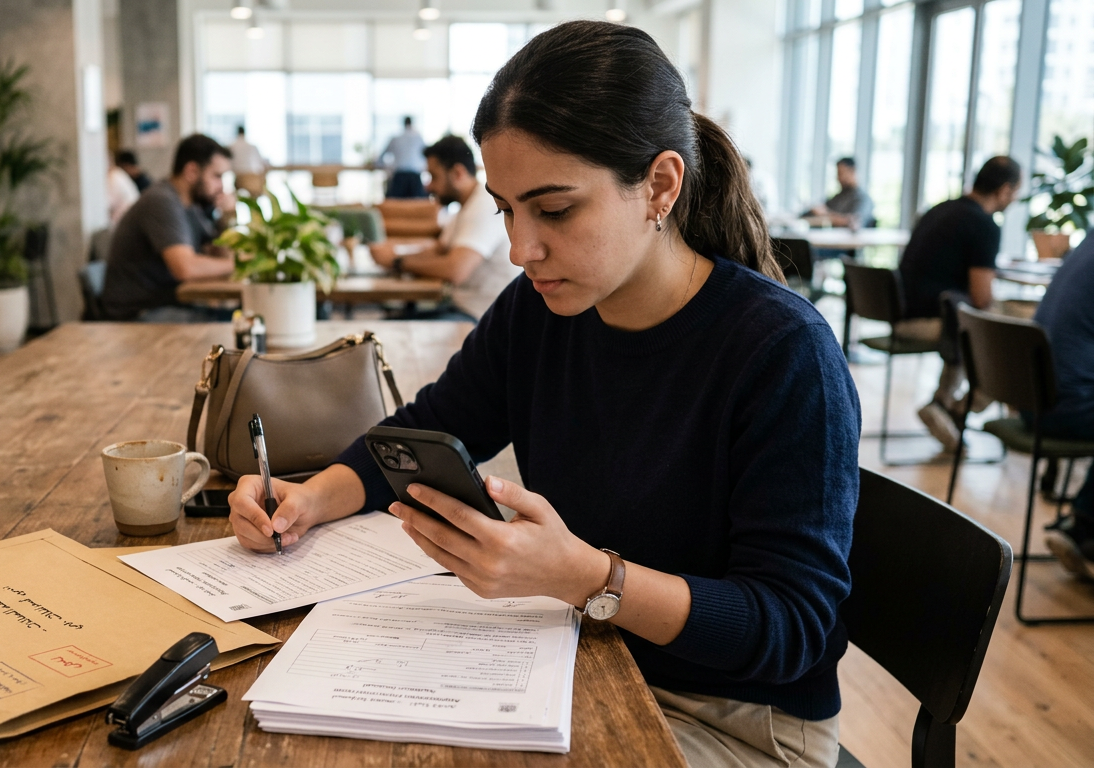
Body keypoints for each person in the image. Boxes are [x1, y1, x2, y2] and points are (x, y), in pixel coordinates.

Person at [229, 20, 858, 768]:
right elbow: (428, 430)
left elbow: (792, 626)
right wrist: (307, 499)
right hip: (579, 655)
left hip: (736, 720)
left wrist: (587, 577)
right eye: (505, 209)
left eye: (554, 210)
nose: (520, 249)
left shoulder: (782, 352)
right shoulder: (542, 309)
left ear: (660, 186)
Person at [899, 156, 1022, 451]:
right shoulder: (984, 225)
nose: (1015, 199)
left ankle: (944, 404)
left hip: (902, 313)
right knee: (1015, 342)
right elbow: (981, 298)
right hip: (932, 322)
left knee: (977, 322)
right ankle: (957, 407)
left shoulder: (939, 209)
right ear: (1005, 190)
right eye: (1016, 192)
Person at [368, 135, 515, 321]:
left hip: (481, 318)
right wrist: (395, 252)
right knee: (387, 324)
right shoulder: (465, 207)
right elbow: (438, 250)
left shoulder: (485, 206)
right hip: (460, 308)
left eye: (433, 176)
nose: (428, 186)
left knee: (386, 327)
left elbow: (455, 270)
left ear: (458, 173)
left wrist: (396, 261)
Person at [101, 134, 236, 322]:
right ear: (191, 171)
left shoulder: (190, 205)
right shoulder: (162, 201)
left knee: (237, 318)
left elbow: (216, 255)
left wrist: (226, 218)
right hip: (138, 314)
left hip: (165, 305)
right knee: (231, 324)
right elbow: (186, 268)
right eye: (217, 176)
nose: (221, 187)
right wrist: (241, 265)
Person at [1036, 237, 1094, 579]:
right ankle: (1084, 527)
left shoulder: (1087, 243)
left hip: (1031, 397)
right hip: (1064, 407)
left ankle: (1083, 524)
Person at [808, 158, 873, 228]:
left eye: (841, 173)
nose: (838, 178)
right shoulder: (839, 197)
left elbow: (854, 222)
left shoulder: (863, 199)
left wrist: (826, 214)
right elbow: (820, 208)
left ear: (852, 171)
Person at [379, 116, 427, 199]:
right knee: (418, 204)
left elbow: (381, 158)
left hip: (399, 176)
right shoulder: (419, 138)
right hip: (415, 177)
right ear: (412, 123)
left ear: (403, 124)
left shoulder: (395, 138)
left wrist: (388, 168)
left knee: (394, 204)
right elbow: (426, 156)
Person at [229, 126, 267, 196]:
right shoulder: (252, 146)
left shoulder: (231, 146)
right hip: (252, 179)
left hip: (238, 179)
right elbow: (261, 163)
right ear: (244, 133)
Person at [107, 151, 141, 226]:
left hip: (125, 223)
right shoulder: (118, 174)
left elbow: (107, 204)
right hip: (128, 221)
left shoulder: (113, 177)